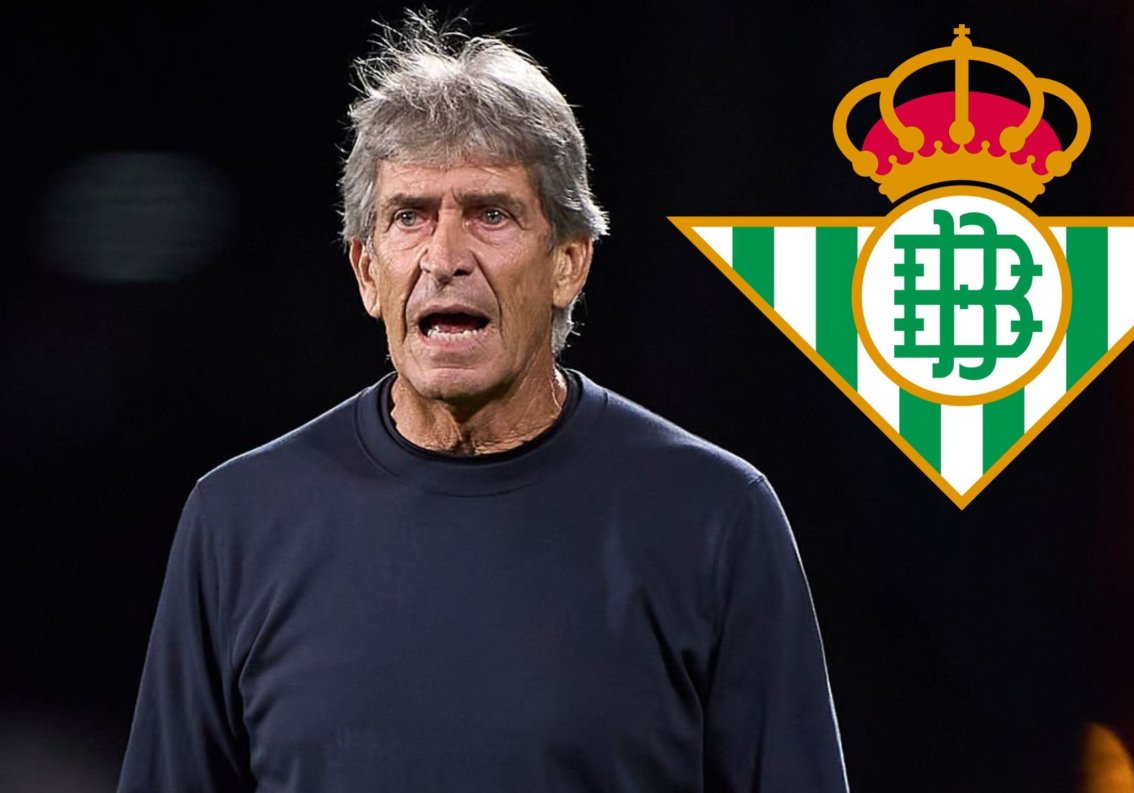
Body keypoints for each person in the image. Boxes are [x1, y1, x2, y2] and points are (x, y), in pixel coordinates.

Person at [116, 12, 849, 793]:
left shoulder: (715, 516)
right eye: (409, 216)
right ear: (366, 271)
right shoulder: (238, 521)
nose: (445, 258)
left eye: (490, 213)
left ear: (568, 262)